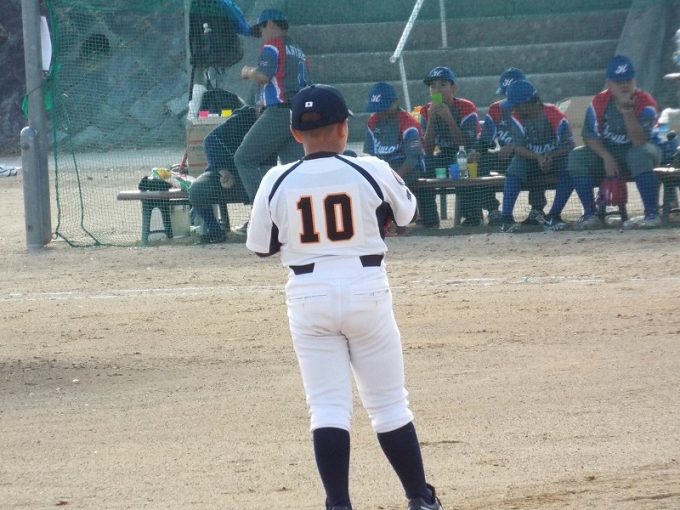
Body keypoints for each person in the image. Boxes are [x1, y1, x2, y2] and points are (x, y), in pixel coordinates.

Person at [245, 84, 444, 510]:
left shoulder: (275, 179)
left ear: (295, 133)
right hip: (365, 286)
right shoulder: (370, 167)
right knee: (389, 405)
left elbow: (261, 247)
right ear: (343, 128)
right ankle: (420, 498)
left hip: (308, 294)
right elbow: (407, 214)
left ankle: (338, 504)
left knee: (327, 408)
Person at [232, 8, 311, 234]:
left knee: (244, 158)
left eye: (262, 28)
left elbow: (264, 76)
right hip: (299, 114)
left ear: (272, 24)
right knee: (293, 169)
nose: (261, 34)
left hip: (280, 112)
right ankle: (301, 221)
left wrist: (249, 72)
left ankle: (263, 217)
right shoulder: (298, 50)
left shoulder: (272, 45)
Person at [568, 55, 662, 229]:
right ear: (609, 83)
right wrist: (606, 157)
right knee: (577, 156)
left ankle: (652, 214)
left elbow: (639, 141)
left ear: (634, 80)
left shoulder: (645, 102)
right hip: (612, 152)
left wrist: (627, 111)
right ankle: (590, 215)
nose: (624, 85)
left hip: (647, 151)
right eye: (619, 82)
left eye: (628, 80)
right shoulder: (599, 101)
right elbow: (588, 136)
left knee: (637, 154)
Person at [188, 103, 276, 243]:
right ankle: (215, 232)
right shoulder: (241, 119)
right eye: (262, 109)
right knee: (197, 189)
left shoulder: (278, 123)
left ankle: (262, 225)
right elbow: (210, 140)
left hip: (258, 177)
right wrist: (223, 169)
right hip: (229, 177)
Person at [497, 80, 575, 232]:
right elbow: (519, 147)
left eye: (515, 105)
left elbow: (569, 146)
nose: (513, 108)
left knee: (571, 166)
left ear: (526, 104)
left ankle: (553, 216)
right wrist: (538, 157)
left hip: (556, 158)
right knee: (515, 166)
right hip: (531, 160)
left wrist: (550, 155)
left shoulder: (554, 114)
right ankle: (506, 219)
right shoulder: (516, 116)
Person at [363, 81, 430, 230]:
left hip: (408, 167)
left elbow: (413, 159)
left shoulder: (408, 123)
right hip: (384, 167)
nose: (380, 112)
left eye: (384, 107)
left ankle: (400, 223)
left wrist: (392, 179)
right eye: (377, 108)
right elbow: (370, 155)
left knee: (393, 189)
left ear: (395, 102)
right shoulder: (373, 122)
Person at [420, 66, 481, 226]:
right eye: (433, 86)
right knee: (423, 164)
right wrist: (431, 120)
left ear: (453, 88)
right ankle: (429, 219)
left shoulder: (466, 107)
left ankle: (472, 216)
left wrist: (449, 118)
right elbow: (427, 149)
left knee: (463, 164)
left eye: (443, 85)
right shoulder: (426, 110)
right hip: (442, 154)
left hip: (465, 153)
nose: (437, 90)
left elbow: (465, 144)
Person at [476, 67, 527, 225]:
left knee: (531, 164)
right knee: (480, 162)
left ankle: (537, 209)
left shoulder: (532, 107)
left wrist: (514, 145)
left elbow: (540, 140)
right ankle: (493, 210)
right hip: (504, 158)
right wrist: (477, 152)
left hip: (527, 157)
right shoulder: (496, 109)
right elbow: (485, 139)